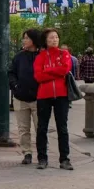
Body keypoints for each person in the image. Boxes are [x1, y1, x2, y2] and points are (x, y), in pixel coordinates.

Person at [33, 28, 73, 170]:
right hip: (44, 95)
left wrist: (48, 71)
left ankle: (64, 159)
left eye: (56, 37)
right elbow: (38, 76)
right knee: (42, 127)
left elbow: (65, 70)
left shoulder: (64, 54)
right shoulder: (40, 57)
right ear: (45, 40)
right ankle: (42, 158)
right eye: (51, 37)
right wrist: (56, 72)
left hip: (62, 95)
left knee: (62, 127)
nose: (54, 40)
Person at [9, 29, 42, 165]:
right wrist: (15, 86)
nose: (24, 40)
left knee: (40, 127)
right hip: (21, 97)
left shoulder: (42, 55)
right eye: (24, 38)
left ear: (34, 40)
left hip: (39, 98)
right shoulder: (19, 57)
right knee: (23, 129)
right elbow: (11, 73)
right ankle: (27, 152)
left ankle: (42, 153)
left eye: (27, 38)